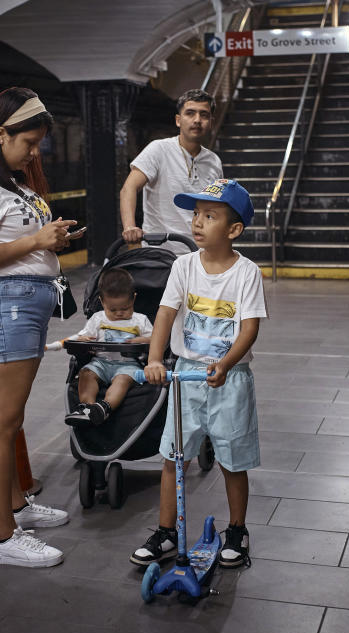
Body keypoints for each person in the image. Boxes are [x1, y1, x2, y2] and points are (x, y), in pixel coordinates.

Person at [0, 87, 85, 568]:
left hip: (23, 306)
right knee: (1, 425)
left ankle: (14, 507)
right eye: (28, 143)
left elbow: (15, 242)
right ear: (0, 132)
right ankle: (3, 540)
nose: (34, 153)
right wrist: (37, 240)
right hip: (3, 306)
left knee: (9, 422)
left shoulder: (8, 179)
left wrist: (50, 241)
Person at [130, 178, 268, 569]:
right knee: (174, 458)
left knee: (231, 459)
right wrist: (155, 359)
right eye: (196, 214)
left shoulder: (247, 273)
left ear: (234, 230)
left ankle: (237, 531)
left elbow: (250, 328)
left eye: (210, 215)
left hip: (230, 379)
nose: (198, 222)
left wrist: (225, 364)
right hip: (187, 376)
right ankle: (166, 532)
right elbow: (166, 314)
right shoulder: (183, 265)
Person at [119, 89, 224, 255]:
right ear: (178, 120)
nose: (197, 120)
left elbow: (215, 208)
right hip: (161, 254)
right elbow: (128, 188)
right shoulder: (158, 149)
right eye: (190, 113)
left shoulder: (214, 161)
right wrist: (130, 227)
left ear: (211, 122)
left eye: (204, 115)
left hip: (201, 255)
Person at [64, 268, 153, 427]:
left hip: (128, 365)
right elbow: (83, 336)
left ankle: (105, 407)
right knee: (86, 373)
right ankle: (87, 408)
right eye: (112, 309)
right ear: (102, 301)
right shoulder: (97, 319)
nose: (119, 313)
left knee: (123, 380)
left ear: (133, 299)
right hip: (101, 363)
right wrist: (84, 340)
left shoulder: (140, 320)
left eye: (124, 308)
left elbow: (155, 338)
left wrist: (142, 339)